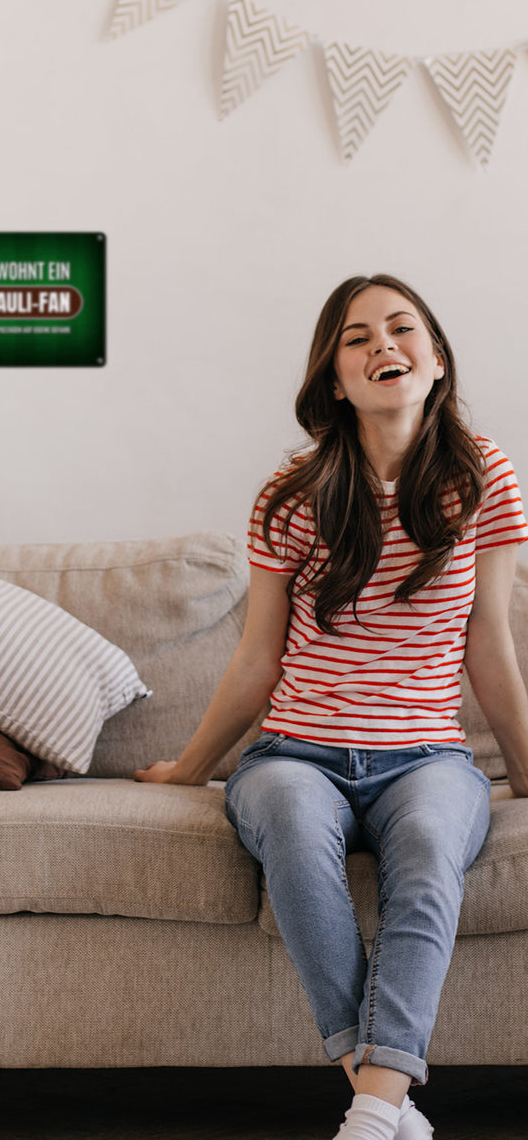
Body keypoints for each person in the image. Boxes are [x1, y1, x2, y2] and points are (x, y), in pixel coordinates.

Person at [135, 274, 528, 1140]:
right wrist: (191, 769)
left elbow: (488, 644)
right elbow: (257, 658)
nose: (382, 345)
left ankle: (372, 1111)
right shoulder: (292, 493)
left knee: (429, 847)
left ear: (435, 364)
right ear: (335, 379)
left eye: (401, 329)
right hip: (293, 754)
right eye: (357, 337)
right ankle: (385, 1102)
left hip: (427, 759)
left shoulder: (484, 477)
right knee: (290, 830)